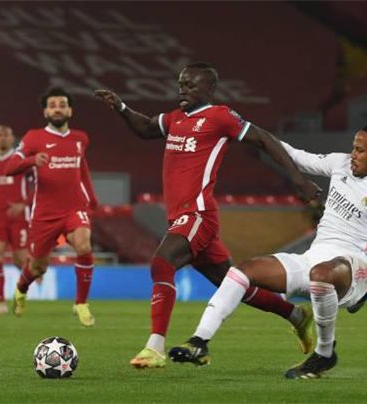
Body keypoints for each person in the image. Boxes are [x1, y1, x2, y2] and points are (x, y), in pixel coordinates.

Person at [168, 124, 367, 379]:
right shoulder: (340, 164)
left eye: (360, 150)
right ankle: (199, 341)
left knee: (321, 274)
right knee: (244, 271)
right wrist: (252, 132)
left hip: (356, 267)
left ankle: (324, 353)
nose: (352, 154)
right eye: (354, 147)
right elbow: (296, 156)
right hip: (315, 257)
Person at [95, 62, 322, 369]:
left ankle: (155, 346)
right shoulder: (175, 119)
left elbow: (264, 139)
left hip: (197, 213)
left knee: (162, 263)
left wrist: (298, 180)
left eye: (190, 85)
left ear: (210, 89)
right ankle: (296, 315)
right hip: (183, 217)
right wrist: (121, 107)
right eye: (181, 84)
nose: (182, 90)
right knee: (235, 286)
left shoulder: (220, 117)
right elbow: (146, 128)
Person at [5, 87, 98, 327]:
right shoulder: (33, 137)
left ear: (70, 111)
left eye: (62, 105)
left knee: (84, 245)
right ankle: (21, 288)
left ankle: (81, 303)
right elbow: (9, 168)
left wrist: (92, 197)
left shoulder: (80, 138)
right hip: (45, 213)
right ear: (45, 112)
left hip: (74, 208)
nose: (57, 109)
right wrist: (31, 160)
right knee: (38, 266)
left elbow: (82, 167)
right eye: (53, 105)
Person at [0, 125, 32, 315]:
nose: (2, 138)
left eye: (6, 135)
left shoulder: (20, 161)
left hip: (18, 218)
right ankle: (1, 303)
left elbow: (38, 185)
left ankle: (22, 293)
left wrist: (24, 204)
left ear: (13, 139)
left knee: (21, 259)